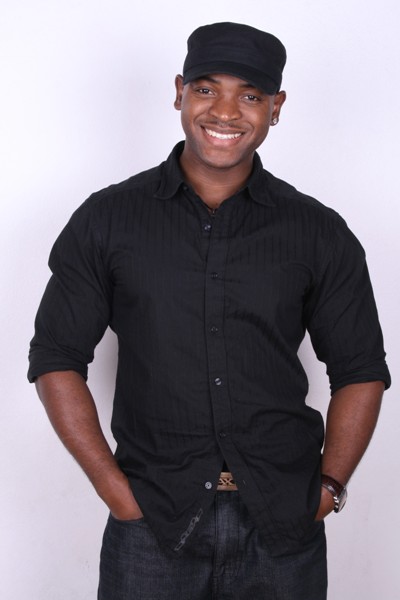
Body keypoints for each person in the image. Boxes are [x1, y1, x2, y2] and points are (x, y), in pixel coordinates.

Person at [28, 21, 390, 600]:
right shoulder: (108, 219)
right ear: (179, 93)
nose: (225, 111)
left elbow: (361, 369)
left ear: (276, 108)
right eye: (206, 88)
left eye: (250, 95)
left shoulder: (318, 232)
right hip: (151, 524)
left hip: (283, 527)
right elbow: (55, 357)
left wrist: (329, 488)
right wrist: (115, 492)